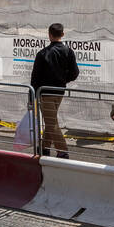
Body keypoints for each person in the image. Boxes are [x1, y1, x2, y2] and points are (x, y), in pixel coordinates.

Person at [29, 22, 78, 158]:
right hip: (60, 91)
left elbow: (35, 78)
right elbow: (74, 73)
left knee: (51, 123)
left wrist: (31, 97)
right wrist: (63, 80)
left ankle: (63, 151)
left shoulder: (42, 54)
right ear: (62, 34)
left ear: (49, 35)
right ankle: (44, 148)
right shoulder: (68, 51)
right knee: (51, 121)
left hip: (45, 93)